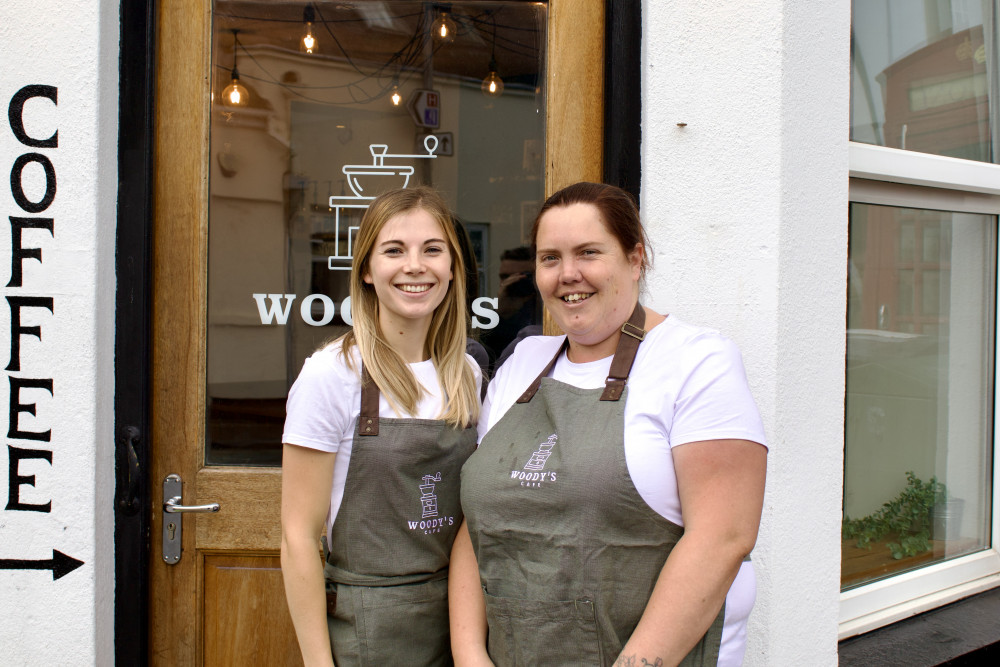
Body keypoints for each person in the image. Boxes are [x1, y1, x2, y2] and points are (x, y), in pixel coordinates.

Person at [450, 182, 767, 667]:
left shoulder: (697, 361)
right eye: (550, 258)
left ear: (635, 258)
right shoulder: (521, 365)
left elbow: (723, 539)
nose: (568, 274)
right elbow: (480, 525)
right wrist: (471, 655)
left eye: (588, 253)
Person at [281, 186, 481, 666]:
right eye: (394, 250)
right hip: (368, 627)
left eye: (432, 250)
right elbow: (298, 537)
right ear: (367, 271)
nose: (416, 265)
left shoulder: (468, 375)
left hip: (461, 622)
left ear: (452, 268)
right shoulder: (332, 373)